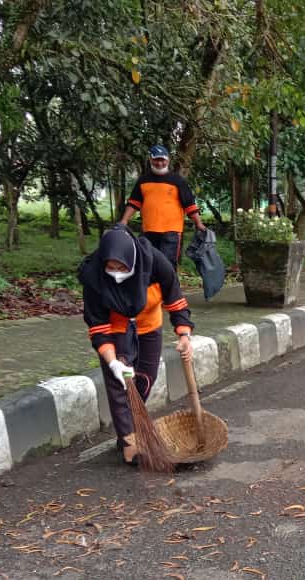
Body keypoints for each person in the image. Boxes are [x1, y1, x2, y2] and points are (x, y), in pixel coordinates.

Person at [80, 225, 194, 466]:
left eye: (122, 268)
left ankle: (132, 428)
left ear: (133, 261)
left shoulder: (154, 262)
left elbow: (174, 298)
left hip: (149, 326)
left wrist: (184, 334)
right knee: (121, 385)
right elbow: (98, 328)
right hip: (116, 330)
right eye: (111, 268)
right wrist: (112, 362)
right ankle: (129, 442)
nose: (116, 273)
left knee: (144, 379)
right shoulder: (93, 276)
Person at [118, 144, 206, 268]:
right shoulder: (143, 180)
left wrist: (198, 223)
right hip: (149, 229)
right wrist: (124, 220)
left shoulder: (177, 181)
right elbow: (134, 202)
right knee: (148, 262)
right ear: (150, 160)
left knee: (167, 264)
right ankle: (152, 287)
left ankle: (169, 287)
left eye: (162, 160)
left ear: (168, 160)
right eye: (156, 160)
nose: (159, 163)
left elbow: (189, 204)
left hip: (171, 230)